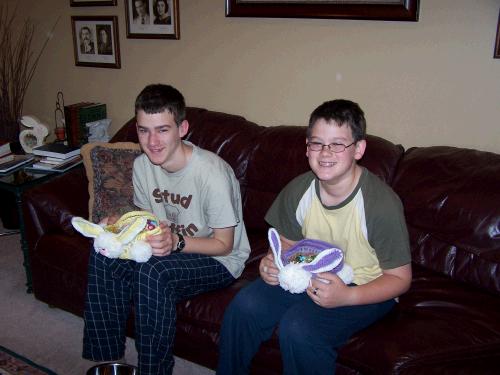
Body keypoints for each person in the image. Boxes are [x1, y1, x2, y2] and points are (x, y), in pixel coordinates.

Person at [217, 99, 412, 375]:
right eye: (317, 143)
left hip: (367, 285)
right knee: (244, 306)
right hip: (309, 272)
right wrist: (272, 264)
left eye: (337, 144)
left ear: (358, 149)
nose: (325, 153)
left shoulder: (380, 204)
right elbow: (286, 246)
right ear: (307, 147)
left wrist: (347, 296)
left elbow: (400, 279)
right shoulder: (299, 189)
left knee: (299, 328)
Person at [82, 84, 251, 375]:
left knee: (153, 272)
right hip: (169, 247)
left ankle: (154, 371)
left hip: (219, 259)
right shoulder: (142, 167)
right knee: (103, 252)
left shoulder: (212, 173)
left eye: (162, 130)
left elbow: (225, 244)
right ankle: (109, 361)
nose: (152, 141)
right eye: (144, 130)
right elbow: (147, 222)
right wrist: (117, 226)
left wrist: (176, 242)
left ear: (182, 128)